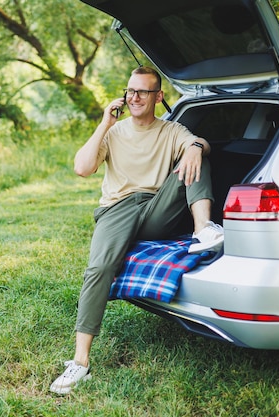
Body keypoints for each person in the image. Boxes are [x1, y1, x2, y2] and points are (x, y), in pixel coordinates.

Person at [49, 66, 224, 395]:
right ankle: (80, 362)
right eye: (131, 91)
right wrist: (105, 123)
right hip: (117, 208)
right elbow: (82, 168)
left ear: (158, 97)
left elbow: (199, 143)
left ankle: (203, 230)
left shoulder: (171, 130)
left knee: (196, 154)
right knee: (99, 267)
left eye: (143, 91)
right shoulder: (113, 133)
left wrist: (196, 147)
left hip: (155, 208)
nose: (135, 97)